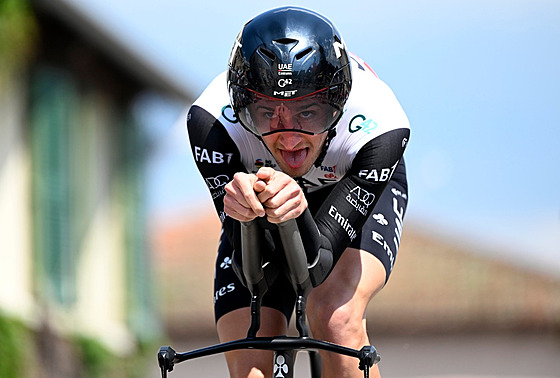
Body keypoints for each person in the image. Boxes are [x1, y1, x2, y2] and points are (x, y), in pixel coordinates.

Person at [186, 6, 409, 378]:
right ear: (241, 106)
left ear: (338, 103)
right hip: (265, 206)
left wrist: (298, 206)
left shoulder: (380, 125)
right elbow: (251, 270)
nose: (288, 137)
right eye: (267, 114)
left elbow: (318, 265)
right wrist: (243, 210)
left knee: (333, 315)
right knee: (251, 358)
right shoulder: (211, 123)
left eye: (309, 112)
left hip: (348, 182)